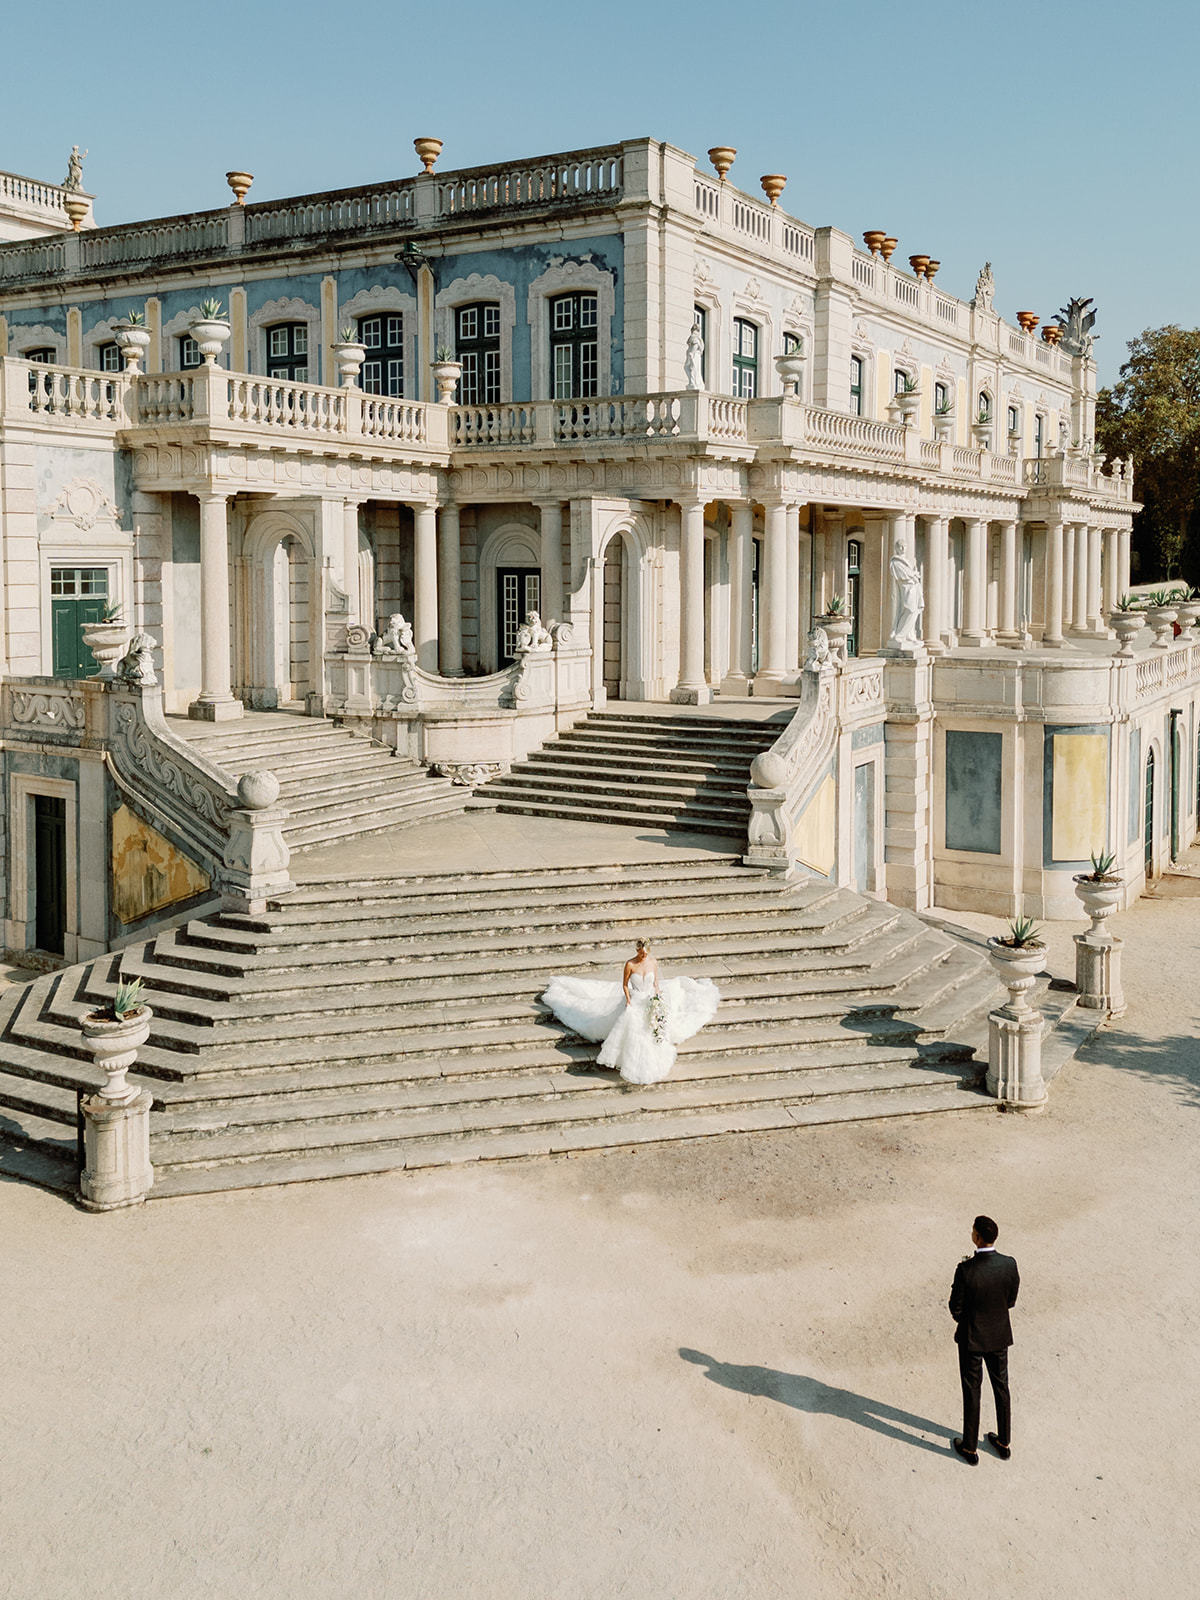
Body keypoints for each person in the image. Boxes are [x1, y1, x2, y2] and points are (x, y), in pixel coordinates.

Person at [541, 939, 719, 1085]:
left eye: (646, 953)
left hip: (650, 1000)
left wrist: (658, 997)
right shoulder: (630, 964)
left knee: (650, 1030)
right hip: (635, 1000)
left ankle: (651, 1062)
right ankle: (632, 1064)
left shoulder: (653, 963)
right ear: (637, 951)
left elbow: (655, 983)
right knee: (634, 1031)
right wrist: (628, 1000)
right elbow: (625, 985)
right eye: (641, 953)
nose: (644, 956)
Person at [948, 1214, 1020, 1464]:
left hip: (972, 1338)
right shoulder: (1009, 1264)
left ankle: (969, 1447)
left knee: (972, 1390)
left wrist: (968, 1320)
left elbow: (955, 1307)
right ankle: (1004, 1442)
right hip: (999, 1335)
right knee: (1001, 1387)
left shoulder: (966, 1270)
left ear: (977, 1237)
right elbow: (1010, 1300)